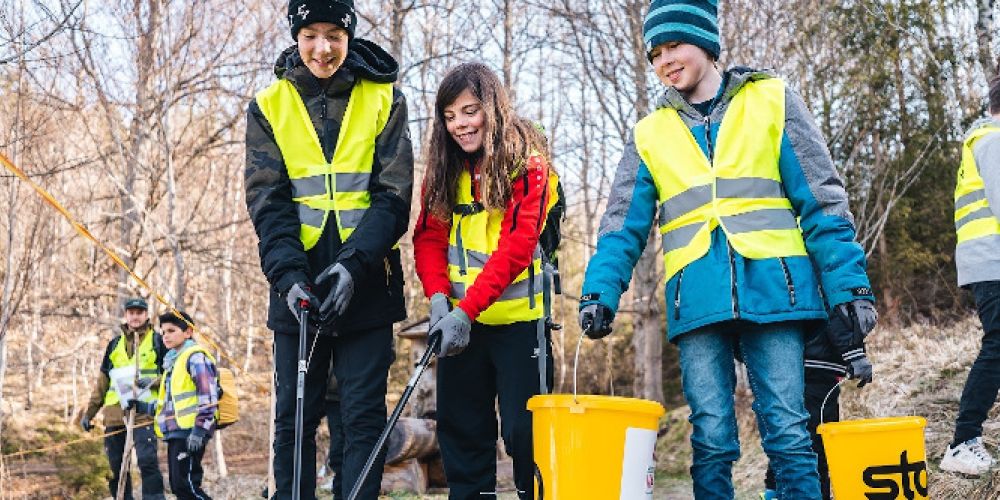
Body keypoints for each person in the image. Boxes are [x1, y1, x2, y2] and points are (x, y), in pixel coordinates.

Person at [577, 1, 877, 498]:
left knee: (787, 430)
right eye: (654, 52)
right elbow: (620, 226)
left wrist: (849, 282)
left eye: (674, 45)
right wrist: (599, 292)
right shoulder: (649, 134)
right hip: (695, 298)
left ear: (707, 43)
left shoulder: (771, 99)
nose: (665, 59)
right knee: (712, 437)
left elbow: (822, 199)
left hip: (777, 290)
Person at [244, 0, 414, 497]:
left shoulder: (386, 99)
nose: (323, 48)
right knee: (294, 419)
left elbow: (394, 195)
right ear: (296, 36)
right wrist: (288, 275)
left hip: (365, 280)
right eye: (311, 34)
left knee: (362, 418)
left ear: (349, 34)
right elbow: (266, 199)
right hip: (297, 284)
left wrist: (353, 266)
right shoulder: (269, 104)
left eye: (334, 35)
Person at [412, 62, 557, 500]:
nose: (460, 125)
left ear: (492, 109)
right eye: (450, 116)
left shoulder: (528, 165)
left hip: (519, 323)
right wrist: (439, 299)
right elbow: (428, 238)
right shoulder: (443, 169)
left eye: (470, 111)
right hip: (460, 327)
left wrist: (465, 310)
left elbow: (517, 247)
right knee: (462, 432)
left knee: (524, 432)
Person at [940, 74, 1000, 475]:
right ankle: (963, 441)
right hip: (994, 261)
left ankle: (966, 438)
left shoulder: (984, 138)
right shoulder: (994, 141)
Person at [761, 312, 873, 500]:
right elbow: (838, 312)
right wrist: (854, 353)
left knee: (790, 437)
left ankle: (774, 492)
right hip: (817, 364)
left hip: (795, 361)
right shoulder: (826, 284)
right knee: (814, 446)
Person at [80, 297, 166, 500]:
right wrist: (89, 414)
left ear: (146, 315)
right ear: (126, 315)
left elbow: (170, 377)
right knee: (115, 466)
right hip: (114, 415)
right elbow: (102, 384)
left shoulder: (158, 341)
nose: (135, 317)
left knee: (147, 461)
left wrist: (150, 382)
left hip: (144, 412)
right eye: (131, 313)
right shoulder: (113, 345)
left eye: (139, 313)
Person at [130, 311, 219, 500]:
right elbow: (170, 404)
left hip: (191, 431)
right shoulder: (173, 362)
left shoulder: (194, 357)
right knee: (179, 487)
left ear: (188, 332)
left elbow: (208, 396)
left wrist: (199, 430)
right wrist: (143, 407)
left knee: (186, 487)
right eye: (163, 332)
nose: (166, 336)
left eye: (171, 330)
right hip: (175, 432)